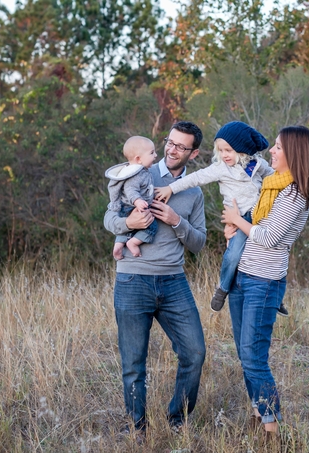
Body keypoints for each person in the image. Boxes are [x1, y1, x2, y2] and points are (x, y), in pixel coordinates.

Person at [103, 121, 207, 436]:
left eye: (181, 146)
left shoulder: (194, 191)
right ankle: (136, 427)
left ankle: (177, 420)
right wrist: (128, 222)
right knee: (134, 363)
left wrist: (177, 222)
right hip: (133, 281)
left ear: (194, 153)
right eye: (169, 142)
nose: (172, 149)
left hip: (174, 282)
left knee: (195, 352)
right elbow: (109, 216)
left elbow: (199, 243)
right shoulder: (138, 170)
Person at [221, 125, 309, 437]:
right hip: (243, 276)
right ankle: (257, 413)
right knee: (246, 354)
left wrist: (237, 220)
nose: (272, 152)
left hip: (263, 282)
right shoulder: (273, 185)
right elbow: (255, 221)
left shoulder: (294, 194)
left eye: (278, 147)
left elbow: (267, 236)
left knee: (254, 359)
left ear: (295, 154)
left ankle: (272, 430)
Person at [154, 121, 288, 316]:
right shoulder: (221, 168)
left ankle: (275, 297)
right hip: (240, 215)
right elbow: (196, 178)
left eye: (229, 150)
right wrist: (170, 188)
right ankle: (223, 288)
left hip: (261, 214)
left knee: (274, 252)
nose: (225, 155)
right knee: (234, 254)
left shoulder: (258, 163)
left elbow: (274, 177)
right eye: (221, 150)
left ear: (243, 150)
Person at [105, 136, 158, 259]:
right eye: (152, 153)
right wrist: (137, 201)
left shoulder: (139, 170)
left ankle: (118, 245)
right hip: (133, 206)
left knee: (126, 229)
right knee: (152, 226)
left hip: (127, 208)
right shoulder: (136, 174)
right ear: (138, 159)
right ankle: (133, 243)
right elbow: (130, 189)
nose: (155, 155)